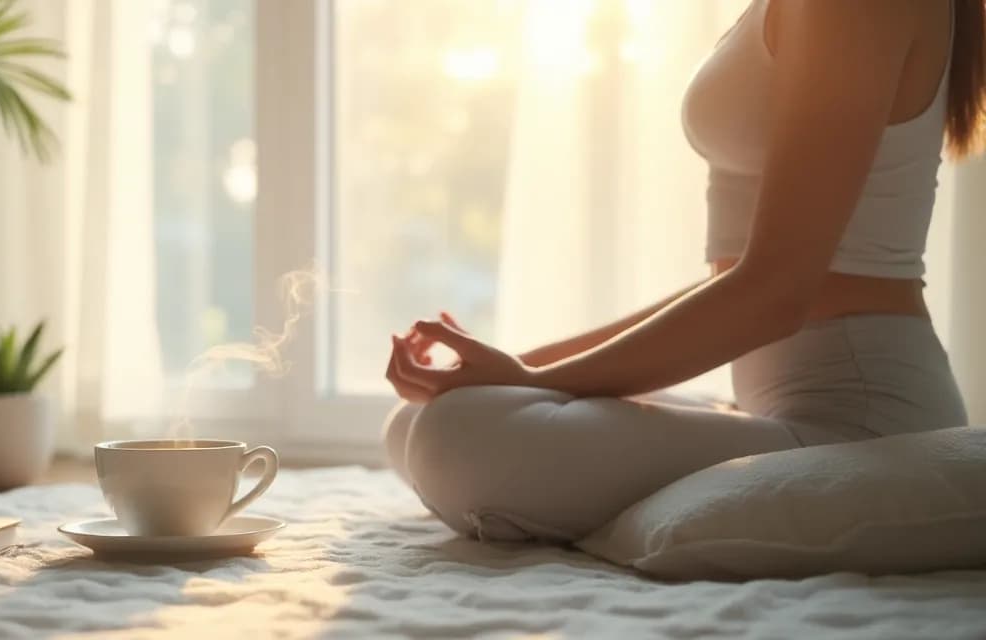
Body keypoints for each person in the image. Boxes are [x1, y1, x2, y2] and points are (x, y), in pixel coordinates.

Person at [382, 0, 979, 543]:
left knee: (453, 437)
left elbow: (776, 293)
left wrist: (535, 381)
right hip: (781, 407)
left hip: (867, 424)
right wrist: (522, 371)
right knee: (413, 422)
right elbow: (745, 278)